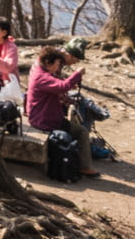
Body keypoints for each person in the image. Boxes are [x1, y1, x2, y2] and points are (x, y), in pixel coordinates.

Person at [27, 45, 96, 175]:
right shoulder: (41, 77)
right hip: (44, 120)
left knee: (75, 127)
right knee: (82, 132)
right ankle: (84, 167)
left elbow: (58, 85)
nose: (58, 67)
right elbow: (63, 86)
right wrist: (77, 74)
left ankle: (80, 163)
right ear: (48, 62)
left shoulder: (40, 72)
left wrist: (68, 83)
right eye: (57, 64)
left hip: (41, 116)